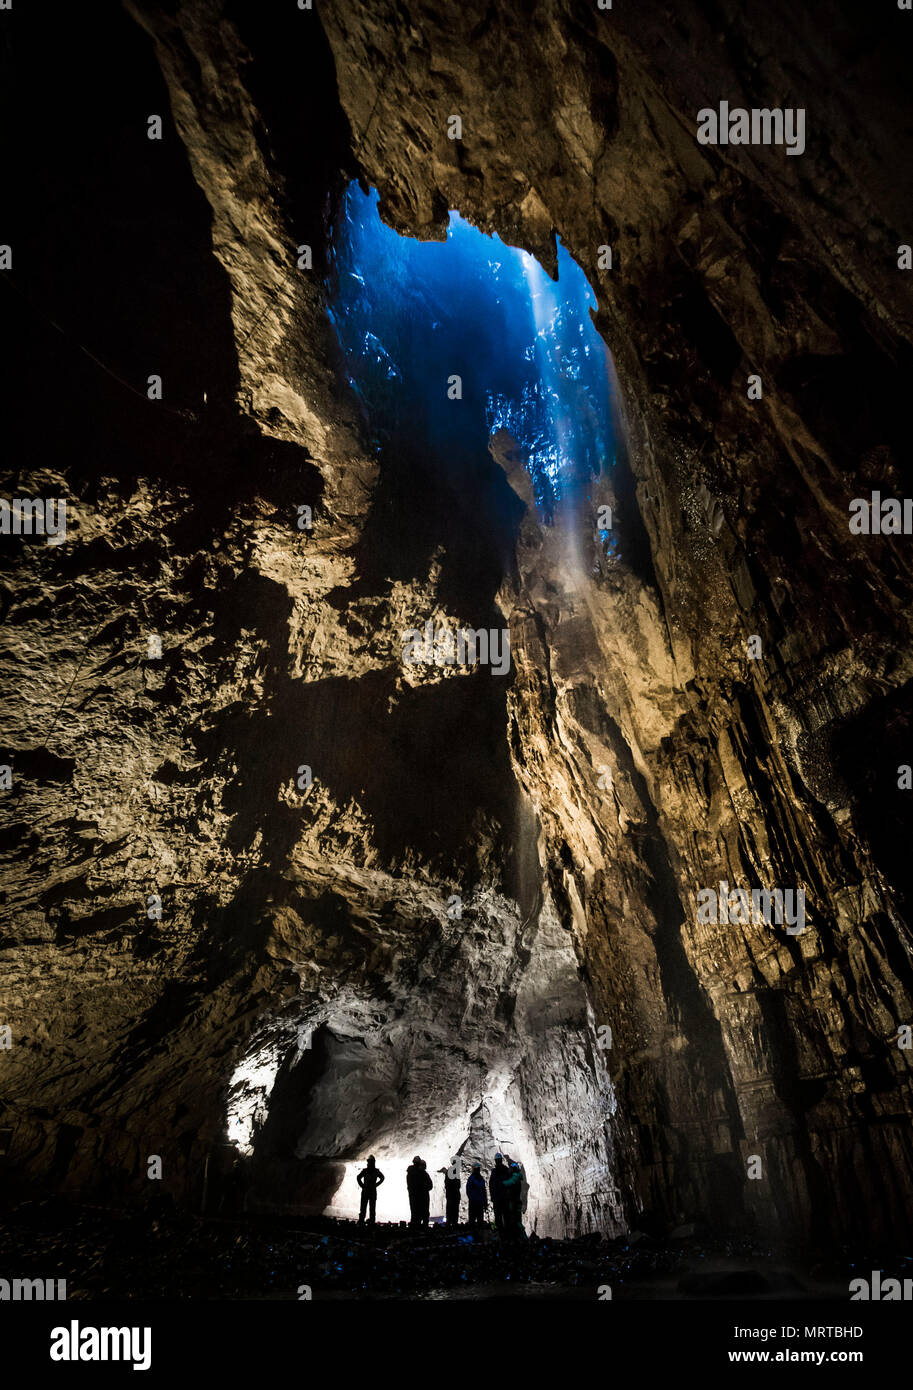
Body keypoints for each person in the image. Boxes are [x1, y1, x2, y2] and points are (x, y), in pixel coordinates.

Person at [356, 1155, 384, 1226]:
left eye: (371, 1162)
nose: (370, 1163)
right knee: (367, 1208)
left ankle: (365, 1221)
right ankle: (367, 1221)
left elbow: (382, 1178)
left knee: (368, 1208)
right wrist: (363, 1186)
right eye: (370, 1162)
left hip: (368, 1192)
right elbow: (358, 1177)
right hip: (369, 1192)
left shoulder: (370, 1171)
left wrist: (363, 1186)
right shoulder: (371, 1171)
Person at [406, 1156, 433, 1230]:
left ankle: (416, 1227)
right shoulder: (420, 1174)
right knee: (420, 1212)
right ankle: (420, 1227)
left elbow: (429, 1185)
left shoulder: (412, 1173)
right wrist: (424, 1188)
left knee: (416, 1212)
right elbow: (429, 1185)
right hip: (420, 1197)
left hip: (417, 1196)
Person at [502, 1160, 525, 1240]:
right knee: (517, 1218)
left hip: (514, 1201)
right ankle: (518, 1235)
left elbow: (507, 1183)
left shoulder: (515, 1177)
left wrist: (500, 1182)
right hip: (517, 1201)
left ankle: (519, 1236)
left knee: (515, 1219)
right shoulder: (518, 1176)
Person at [489, 1152, 508, 1232]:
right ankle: (505, 1232)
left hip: (498, 1198)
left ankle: (501, 1232)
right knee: (505, 1215)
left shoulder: (495, 1171)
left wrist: (492, 1196)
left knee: (499, 1216)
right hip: (503, 1198)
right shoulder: (506, 1170)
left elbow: (491, 1185)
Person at [466, 1162, 488, 1230]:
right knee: (479, 1220)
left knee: (472, 1220)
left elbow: (468, 1191)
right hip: (479, 1202)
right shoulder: (481, 1179)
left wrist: (472, 1198)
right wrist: (485, 1202)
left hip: (474, 1202)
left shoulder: (471, 1179)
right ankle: (479, 1235)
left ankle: (473, 1234)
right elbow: (484, 1192)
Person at [443, 1158, 461, 1228]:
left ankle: (451, 1223)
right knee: (453, 1210)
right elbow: (457, 1185)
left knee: (451, 1210)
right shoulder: (453, 1173)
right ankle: (452, 1223)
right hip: (453, 1195)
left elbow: (447, 1184)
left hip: (452, 1195)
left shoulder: (451, 1173)